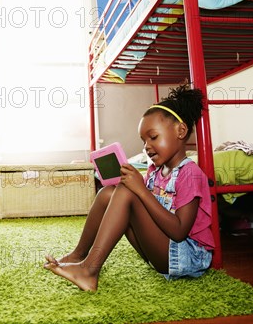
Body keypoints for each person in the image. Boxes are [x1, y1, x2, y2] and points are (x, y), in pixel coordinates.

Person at [44, 83, 214, 291]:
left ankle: (89, 271)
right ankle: (79, 255)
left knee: (128, 191)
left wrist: (140, 190)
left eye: (153, 137)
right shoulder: (155, 171)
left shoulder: (190, 174)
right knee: (109, 192)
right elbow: (145, 212)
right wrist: (135, 186)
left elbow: (179, 231)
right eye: (143, 141)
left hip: (185, 257)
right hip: (158, 253)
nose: (147, 146)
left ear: (180, 131)